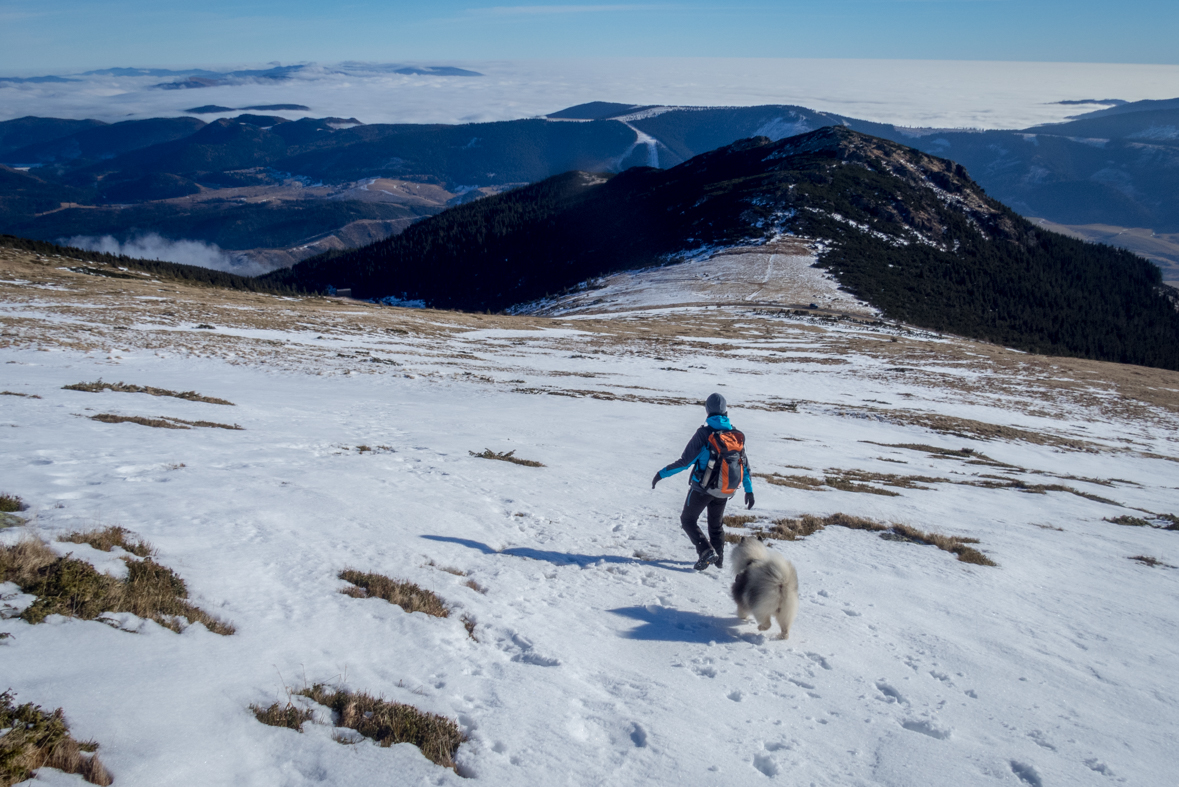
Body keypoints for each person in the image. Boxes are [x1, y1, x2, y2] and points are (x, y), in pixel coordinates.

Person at [652, 393, 754, 571]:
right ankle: (719, 562)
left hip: (702, 489)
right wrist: (749, 490)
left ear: (707, 410)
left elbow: (685, 462)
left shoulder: (704, 434)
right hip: (725, 489)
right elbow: (744, 464)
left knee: (687, 520)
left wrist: (661, 474)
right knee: (716, 525)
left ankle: (706, 551)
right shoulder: (735, 434)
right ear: (725, 410)